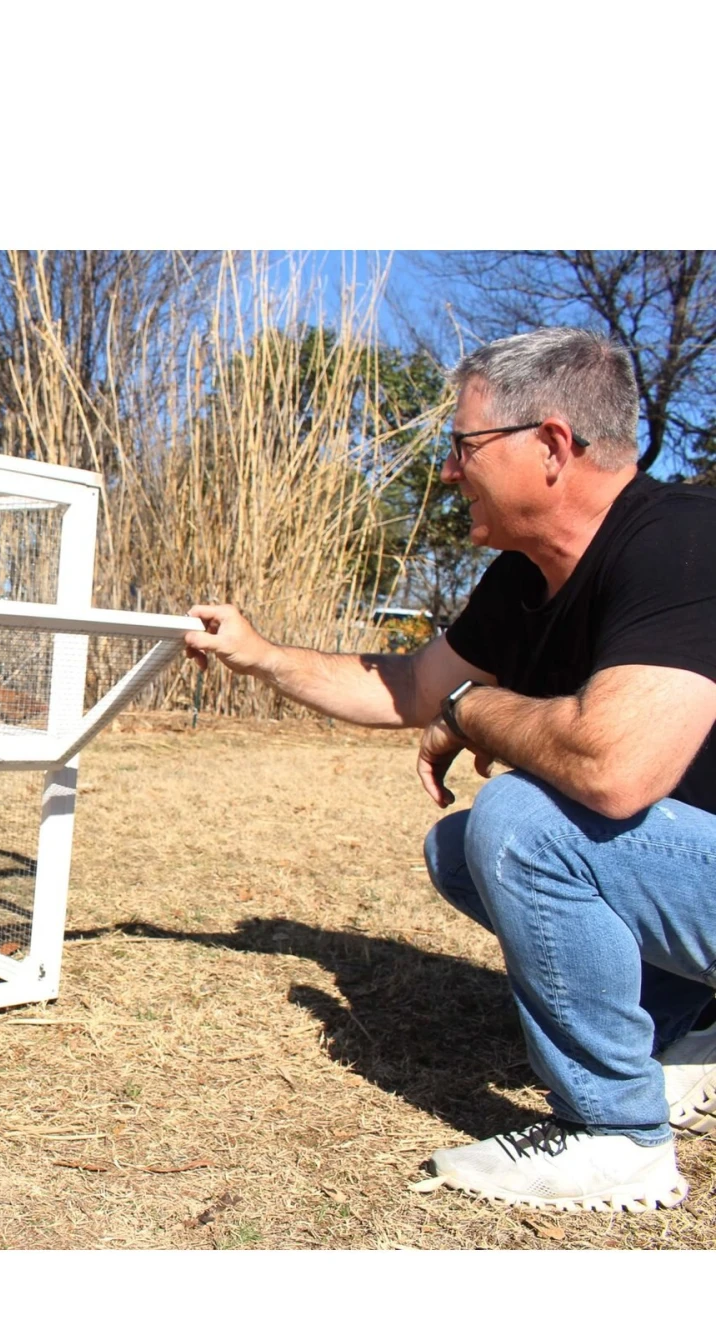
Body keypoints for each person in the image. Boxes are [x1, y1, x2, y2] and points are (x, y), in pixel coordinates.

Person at [184, 326, 716, 1213]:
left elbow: (615, 768)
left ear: (550, 445)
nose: (446, 471)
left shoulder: (687, 545)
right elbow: (410, 687)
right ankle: (689, 1022)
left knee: (521, 825)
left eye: (463, 446)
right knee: (463, 846)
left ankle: (618, 1139)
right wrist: (260, 654)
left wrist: (474, 714)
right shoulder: (522, 580)